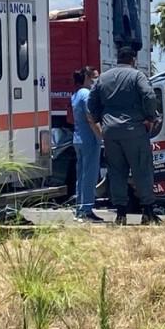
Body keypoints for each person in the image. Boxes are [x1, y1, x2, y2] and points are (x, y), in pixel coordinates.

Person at [87, 46, 160, 226]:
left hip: (110, 132)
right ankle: (148, 212)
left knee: (116, 171)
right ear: (133, 60)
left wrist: (99, 119)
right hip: (134, 130)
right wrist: (151, 117)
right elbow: (149, 95)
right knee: (141, 170)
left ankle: (121, 214)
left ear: (117, 58)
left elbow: (91, 102)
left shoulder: (103, 78)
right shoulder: (137, 76)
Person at [71, 66, 104, 223]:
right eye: (94, 78)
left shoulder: (76, 95)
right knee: (90, 176)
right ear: (87, 77)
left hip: (78, 139)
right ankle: (87, 209)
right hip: (89, 140)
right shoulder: (87, 95)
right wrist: (101, 135)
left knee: (81, 176)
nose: (96, 81)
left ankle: (79, 208)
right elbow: (91, 119)